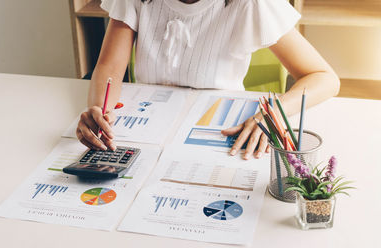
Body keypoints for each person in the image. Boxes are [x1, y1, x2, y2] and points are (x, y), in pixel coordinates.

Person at [76, 0, 340, 160]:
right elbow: (109, 66)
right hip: (148, 133)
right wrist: (100, 112)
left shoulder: (251, 4)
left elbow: (324, 78)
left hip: (221, 135)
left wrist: (274, 114)